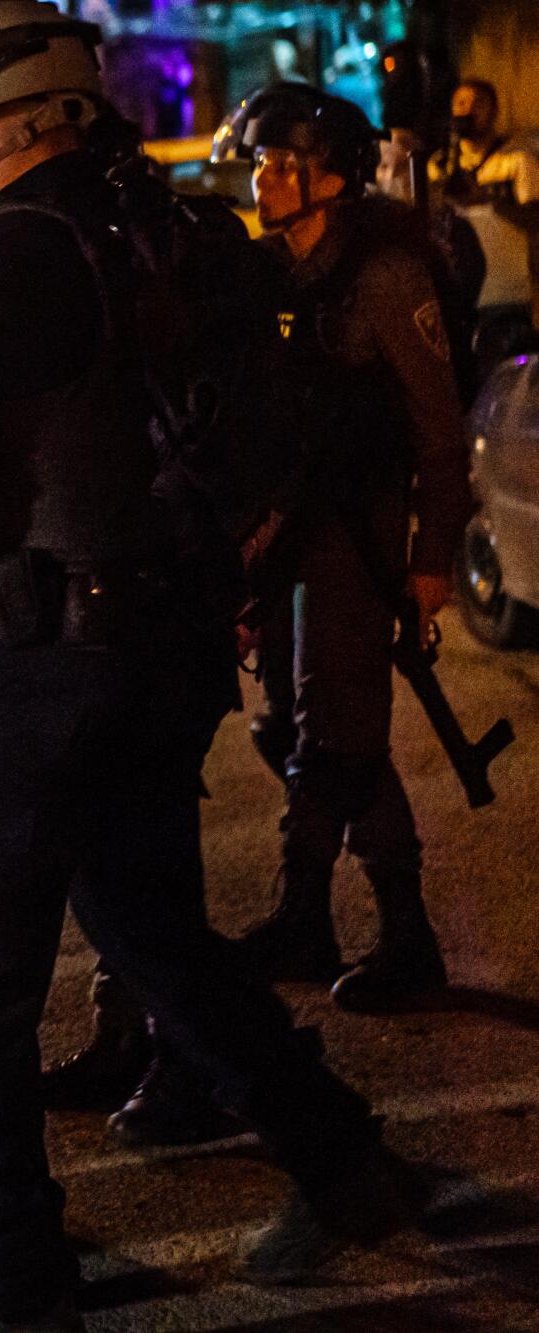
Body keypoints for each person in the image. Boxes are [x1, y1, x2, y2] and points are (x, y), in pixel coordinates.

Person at [0, 6, 421, 1327]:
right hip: (173, 654)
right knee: (156, 934)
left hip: (35, 673)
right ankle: (345, 1159)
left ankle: (22, 1289)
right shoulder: (193, 238)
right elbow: (277, 434)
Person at [215, 84, 469, 1013]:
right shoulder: (273, 275)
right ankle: (365, 927)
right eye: (259, 162)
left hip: (359, 543)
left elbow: (439, 432)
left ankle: (338, 920)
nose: (264, 179)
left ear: (333, 175)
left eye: (283, 163)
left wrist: (432, 553)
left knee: (334, 738)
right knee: (304, 728)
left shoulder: (386, 275)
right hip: (289, 538)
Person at [429, 79, 539, 341]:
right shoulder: (439, 165)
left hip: (509, 294)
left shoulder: (516, 160)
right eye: (461, 102)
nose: (468, 110)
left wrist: (490, 200)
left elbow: (535, 219)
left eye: (478, 103)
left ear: (494, 111)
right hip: (461, 298)